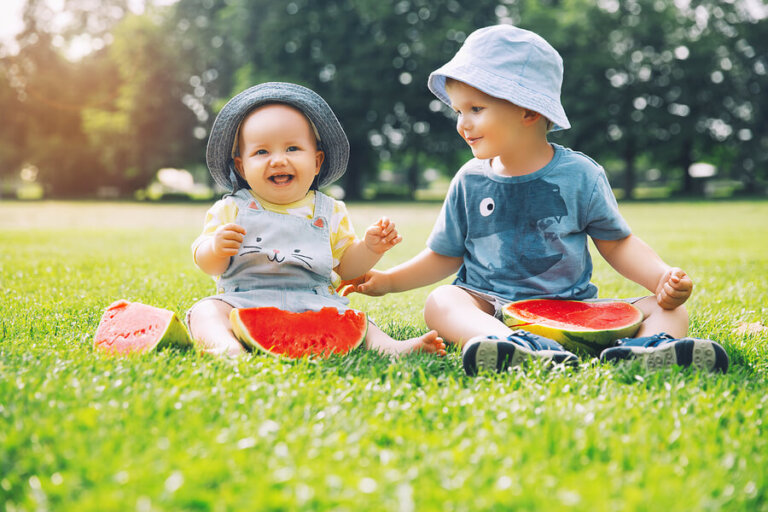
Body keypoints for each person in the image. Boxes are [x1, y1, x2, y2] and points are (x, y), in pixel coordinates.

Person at [352, 25, 728, 374]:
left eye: (476, 109)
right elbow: (445, 255)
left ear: (528, 110)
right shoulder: (469, 180)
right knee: (442, 301)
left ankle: (649, 350)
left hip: (574, 307)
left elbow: (617, 244)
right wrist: (388, 281)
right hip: (491, 308)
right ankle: (508, 345)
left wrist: (661, 277)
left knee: (670, 309)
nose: (462, 124)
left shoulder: (581, 176)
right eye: (458, 111)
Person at [187, 82, 445, 358]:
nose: (278, 160)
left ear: (317, 161)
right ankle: (224, 346)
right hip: (242, 299)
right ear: (241, 166)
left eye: (292, 148)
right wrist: (215, 249)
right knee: (207, 310)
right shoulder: (230, 209)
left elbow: (346, 268)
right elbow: (204, 260)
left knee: (356, 319)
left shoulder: (330, 211)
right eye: (262, 152)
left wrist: (370, 249)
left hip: (314, 301)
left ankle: (391, 347)